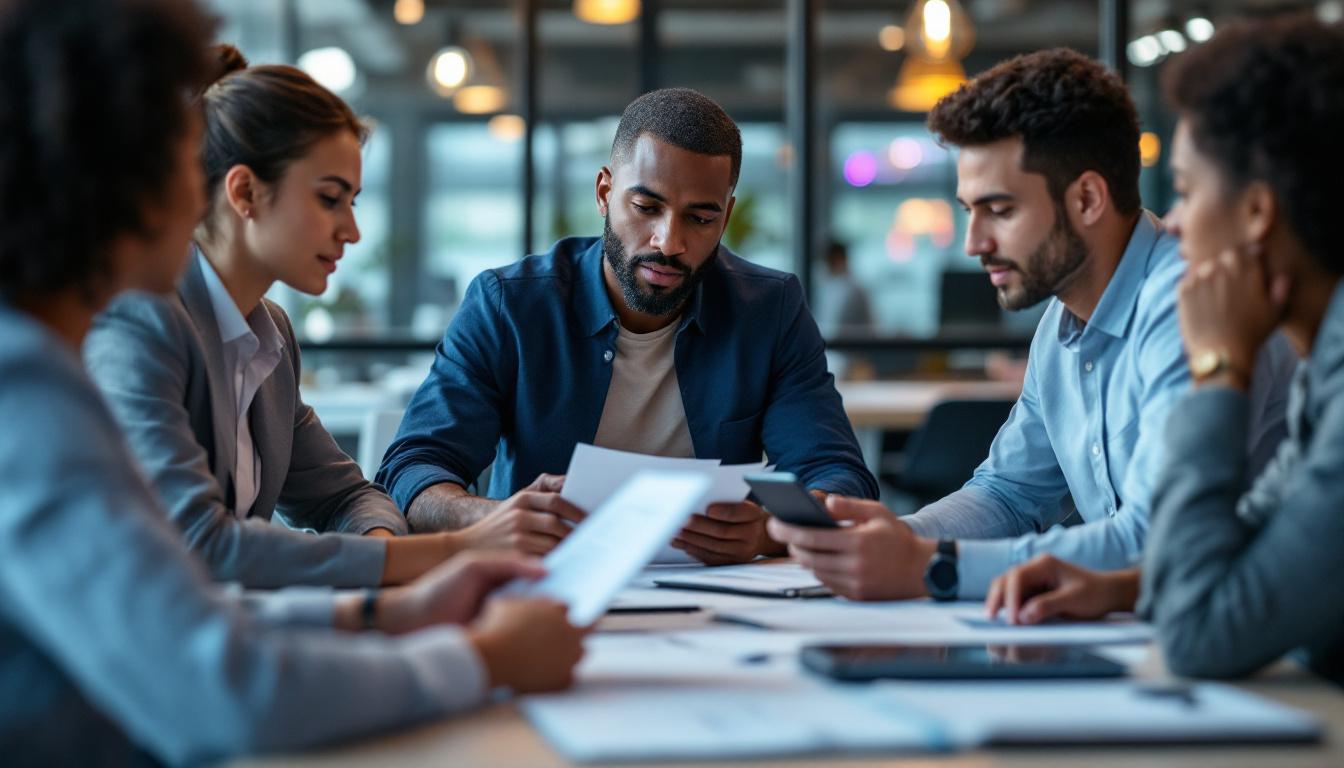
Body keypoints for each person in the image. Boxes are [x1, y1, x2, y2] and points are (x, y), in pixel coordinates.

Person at [0, 1, 583, 763]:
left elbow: (182, 616)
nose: (199, 194)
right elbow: (218, 684)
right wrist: (482, 659)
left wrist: (384, 615)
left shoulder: (52, 366)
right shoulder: (29, 390)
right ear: (122, 177)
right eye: (188, 160)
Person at [769, 48, 1297, 600]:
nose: (974, 243)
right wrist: (891, 537)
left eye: (999, 210)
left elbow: (1155, 537)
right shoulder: (1060, 323)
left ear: (1087, 198)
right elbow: (1008, 493)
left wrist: (931, 563)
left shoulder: (1190, 303)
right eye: (968, 210)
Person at [83, 46, 556, 589]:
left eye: (353, 201)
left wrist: (381, 559)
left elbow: (345, 497)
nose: (352, 231)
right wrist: (451, 550)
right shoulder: (143, 321)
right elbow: (197, 544)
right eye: (330, 199)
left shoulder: (270, 334)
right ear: (245, 192)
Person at [986, 15, 1344, 684]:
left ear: (1258, 214)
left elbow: (1200, 636)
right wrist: (1122, 588)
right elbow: (1244, 552)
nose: (1173, 222)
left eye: (1185, 191)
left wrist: (1220, 367)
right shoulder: (1324, 374)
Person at [378, 88, 877, 565]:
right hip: (538, 584)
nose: (668, 242)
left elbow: (837, 474)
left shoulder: (770, 310)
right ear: (604, 192)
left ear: (725, 217)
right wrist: (491, 520)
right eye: (646, 208)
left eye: (699, 219)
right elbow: (412, 470)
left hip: (715, 594)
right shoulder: (509, 304)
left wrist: (770, 528)